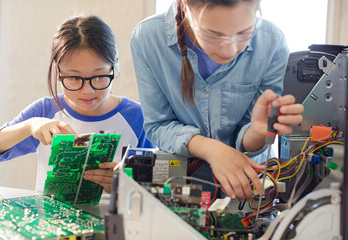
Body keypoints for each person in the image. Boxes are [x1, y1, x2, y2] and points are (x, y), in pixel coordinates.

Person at [130, 0, 304, 202]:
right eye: (213, 35)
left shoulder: (272, 43)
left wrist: (257, 131)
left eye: (244, 33)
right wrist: (212, 150)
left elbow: (251, 134)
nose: (229, 51)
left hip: (249, 183)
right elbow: (158, 125)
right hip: (182, 180)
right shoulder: (148, 38)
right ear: (186, 7)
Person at [0, 15, 154, 194]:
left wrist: (129, 185)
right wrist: (29, 126)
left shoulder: (138, 118)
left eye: (98, 77)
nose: (87, 90)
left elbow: (159, 182)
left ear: (114, 68)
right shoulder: (46, 111)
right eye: (75, 78)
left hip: (115, 221)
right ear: (58, 72)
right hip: (51, 220)